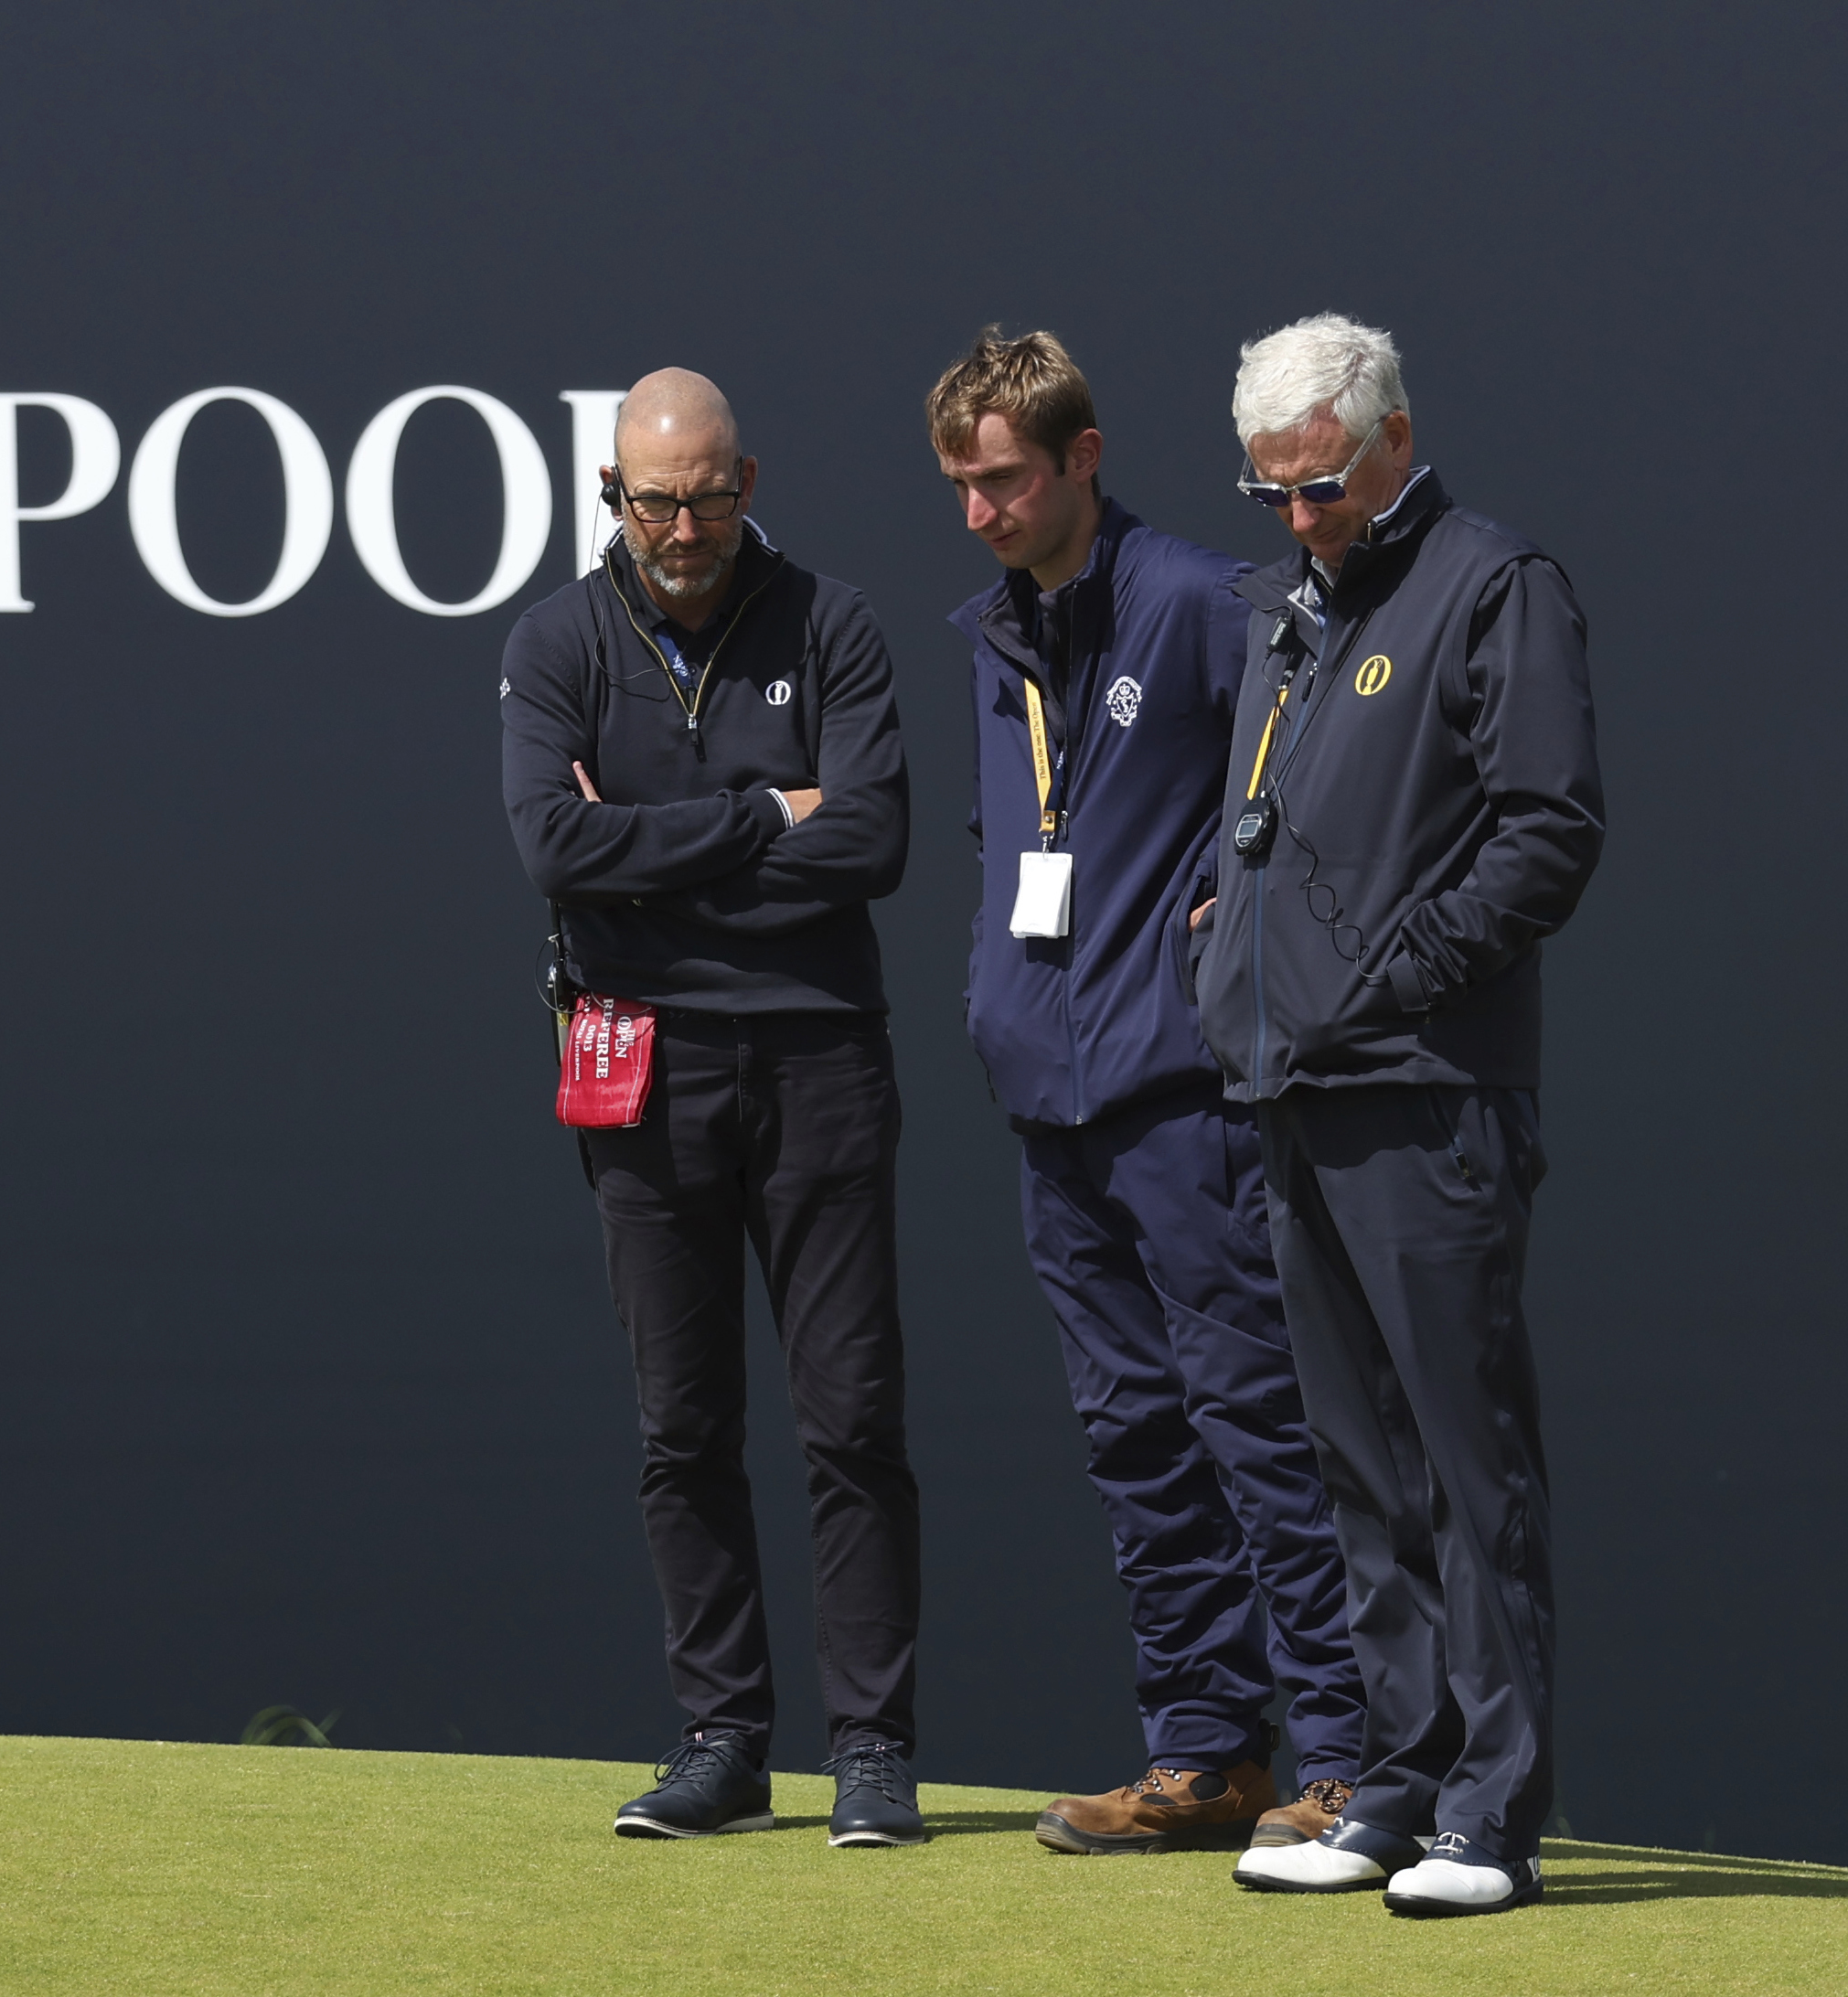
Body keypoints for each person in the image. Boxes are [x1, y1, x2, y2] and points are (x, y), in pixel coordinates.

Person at [926, 329, 1369, 1866]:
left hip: (1180, 1092)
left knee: (1252, 1419)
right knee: (1130, 1436)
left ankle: (1339, 1757)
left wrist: (1227, 895)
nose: (979, 510)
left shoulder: (1191, 596)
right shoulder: (992, 631)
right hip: (1048, 1097)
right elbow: (1015, 844)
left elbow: (1325, 737)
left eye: (1003, 480)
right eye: (959, 485)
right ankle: (1201, 1752)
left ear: (1082, 457)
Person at [1196, 315, 1604, 1916]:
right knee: (1355, 1468)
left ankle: (1488, 1811)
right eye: (1271, 491)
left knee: (1460, 1458)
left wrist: (1382, 975)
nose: (1298, 515)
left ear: (1392, 437)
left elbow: (1545, 830)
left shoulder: (1492, 584)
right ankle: (1390, 1777)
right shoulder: (1291, 605)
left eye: (1320, 485)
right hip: (1289, 1082)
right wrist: (1222, 959)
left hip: (1423, 1092)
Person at [498, 368, 924, 1846]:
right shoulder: (557, 639)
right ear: (612, 498)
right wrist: (762, 815)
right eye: (654, 501)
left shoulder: (836, 622)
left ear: (751, 480)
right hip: (637, 1065)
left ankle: (870, 1750)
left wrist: (646, 852)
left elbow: (871, 839)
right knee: (681, 1428)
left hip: (816, 1058)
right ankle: (721, 1742)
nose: (684, 528)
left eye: (708, 496)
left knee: (850, 1423)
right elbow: (555, 848)